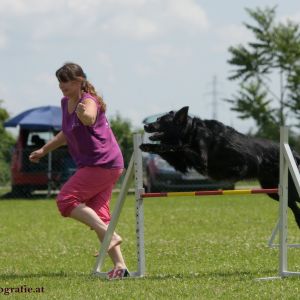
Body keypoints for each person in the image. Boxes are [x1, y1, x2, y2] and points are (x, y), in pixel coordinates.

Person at [29, 62, 129, 279]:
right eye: (59, 82)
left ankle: (110, 236)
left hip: (103, 163)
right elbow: (66, 133)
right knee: (100, 216)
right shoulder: (66, 102)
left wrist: (85, 115)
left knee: (66, 200)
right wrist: (44, 150)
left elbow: (89, 118)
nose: (61, 86)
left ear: (79, 81)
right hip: (100, 164)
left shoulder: (89, 101)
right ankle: (121, 266)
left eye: (65, 81)